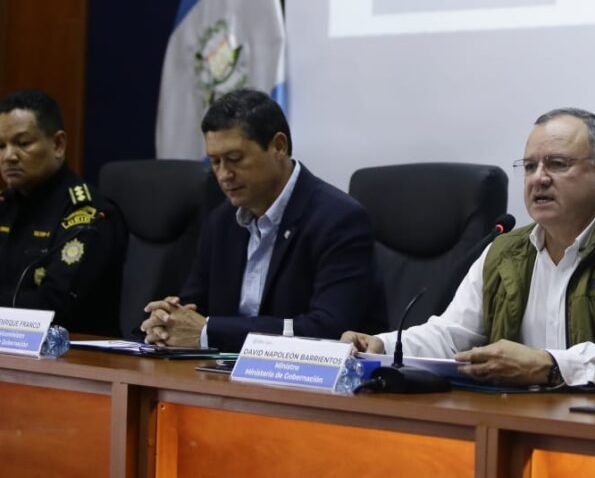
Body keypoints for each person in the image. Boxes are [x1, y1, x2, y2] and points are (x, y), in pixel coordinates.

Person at [342, 107, 595, 390]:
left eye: (557, 164)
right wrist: (382, 345)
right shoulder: (502, 251)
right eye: (530, 166)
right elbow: (451, 334)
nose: (539, 178)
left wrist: (547, 365)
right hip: (511, 421)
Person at [141, 89, 376, 352]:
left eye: (235, 159)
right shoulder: (221, 222)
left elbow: (328, 329)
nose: (224, 175)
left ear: (279, 147)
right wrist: (167, 321)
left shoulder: (339, 220)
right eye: (215, 162)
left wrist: (209, 332)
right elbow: (194, 308)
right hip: (222, 372)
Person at [0, 89, 125, 335]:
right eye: (1, 146)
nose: (9, 156)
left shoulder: (89, 215)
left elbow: (53, 306)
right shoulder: (4, 205)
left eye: (23, 144)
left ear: (58, 144)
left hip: (75, 352)